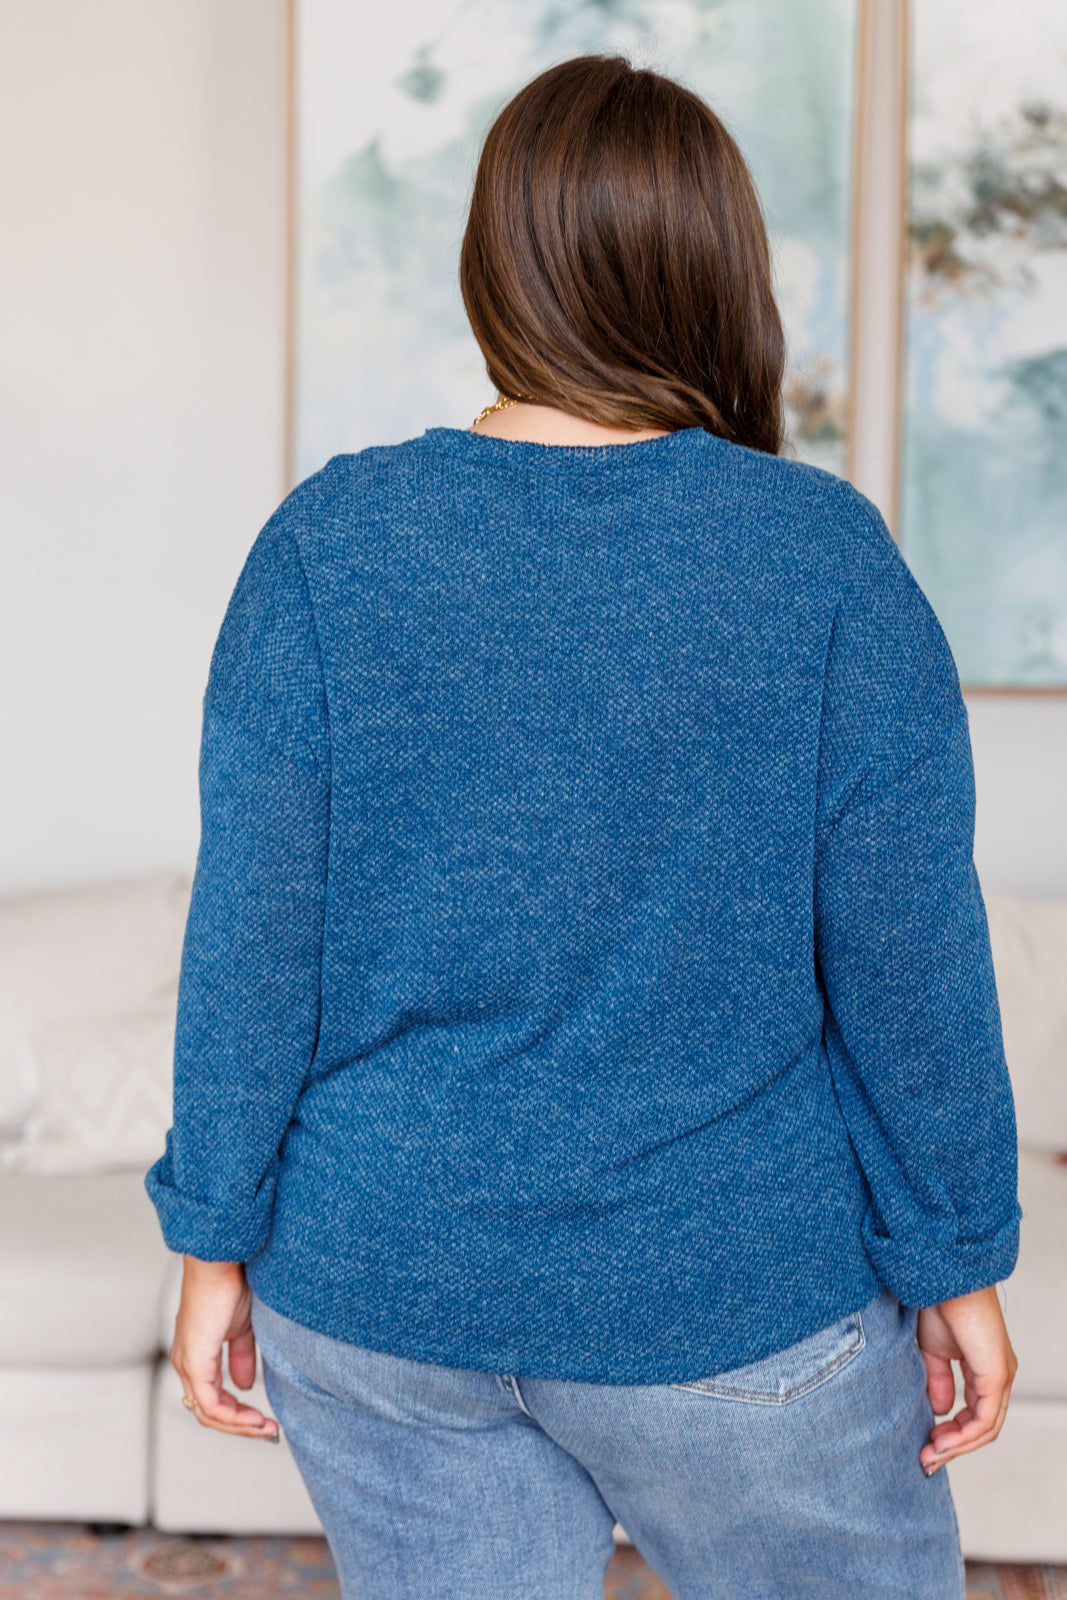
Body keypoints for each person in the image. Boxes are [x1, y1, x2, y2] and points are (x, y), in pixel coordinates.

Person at [147, 53, 1021, 1600]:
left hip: (380, 1293)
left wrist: (213, 1232)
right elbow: (911, 960)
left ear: (497, 269)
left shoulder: (325, 544)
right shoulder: (821, 559)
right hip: (729, 1298)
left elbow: (250, 940)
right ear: (720, 278)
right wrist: (955, 1253)